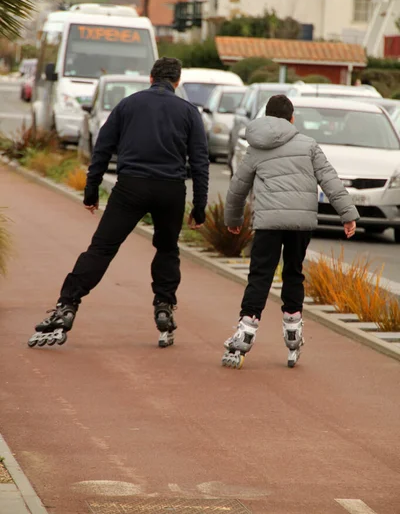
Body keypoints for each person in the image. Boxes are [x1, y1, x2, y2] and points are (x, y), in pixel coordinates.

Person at [28, 57, 209, 349]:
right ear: (177, 82)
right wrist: (199, 207)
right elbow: (200, 162)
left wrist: (91, 190)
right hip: (170, 190)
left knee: (101, 249)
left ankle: (67, 305)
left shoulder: (127, 105)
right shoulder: (189, 111)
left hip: (130, 187)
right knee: (167, 248)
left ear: (150, 78)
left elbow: (102, 148)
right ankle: (164, 305)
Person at [221, 95, 359, 369]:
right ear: (292, 118)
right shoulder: (308, 145)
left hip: (268, 223)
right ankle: (293, 331)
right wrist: (348, 214)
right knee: (293, 272)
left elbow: (238, 187)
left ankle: (246, 329)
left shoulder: (256, 147)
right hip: (301, 223)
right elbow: (329, 180)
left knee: (260, 274)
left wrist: (233, 218)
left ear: (267, 116)